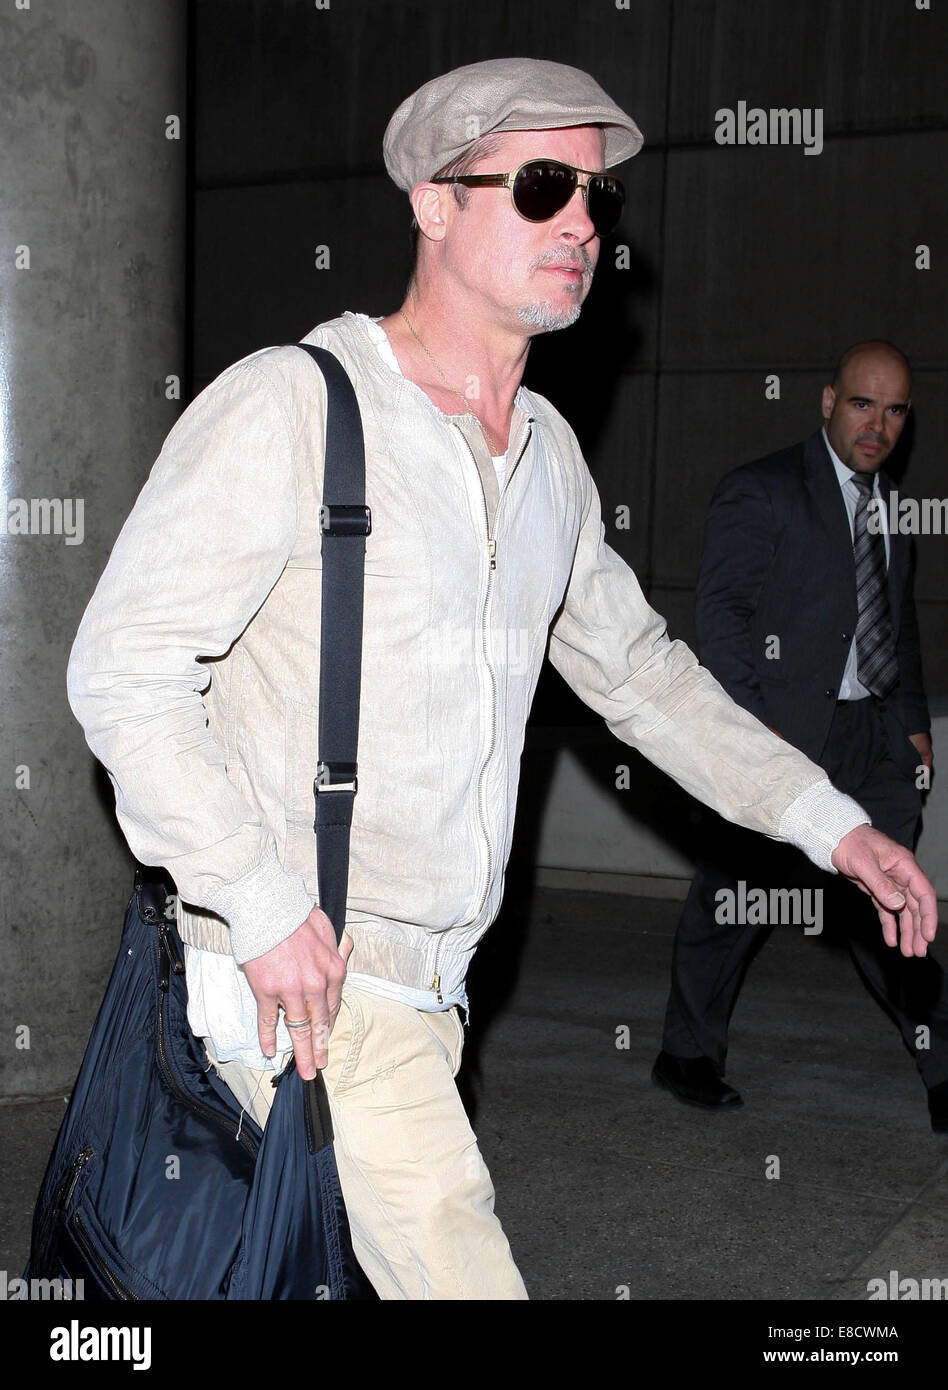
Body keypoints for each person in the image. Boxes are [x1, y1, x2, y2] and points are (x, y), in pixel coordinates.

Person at [66, 62, 939, 1301]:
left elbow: (644, 676)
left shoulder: (546, 461)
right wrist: (257, 903)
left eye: (599, 197)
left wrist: (835, 828)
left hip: (429, 992)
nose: (583, 222)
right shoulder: (294, 410)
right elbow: (122, 669)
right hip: (310, 996)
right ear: (433, 203)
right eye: (542, 188)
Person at [653, 341, 948, 1131]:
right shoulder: (764, 490)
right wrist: (752, 735)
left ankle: (943, 1063)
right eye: (861, 404)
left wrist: (913, 724)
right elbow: (723, 619)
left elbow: (900, 630)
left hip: (873, 741)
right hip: (781, 736)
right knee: (735, 900)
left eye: (894, 411)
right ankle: (687, 1051)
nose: (876, 425)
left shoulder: (894, 510)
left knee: (890, 901)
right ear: (827, 402)